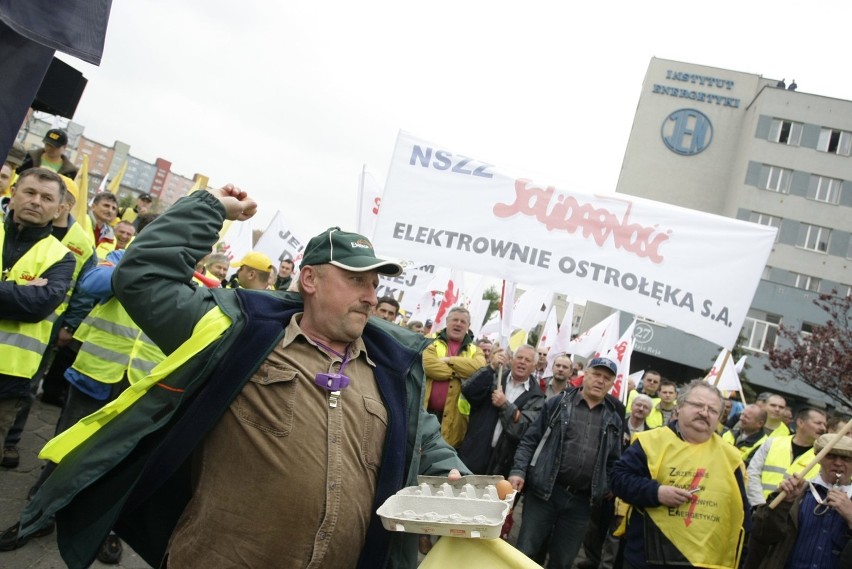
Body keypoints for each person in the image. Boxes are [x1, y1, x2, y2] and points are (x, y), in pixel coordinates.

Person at [16, 186, 468, 569]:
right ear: (308, 279)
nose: (371, 297)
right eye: (356, 281)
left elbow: (424, 444)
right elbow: (142, 276)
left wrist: (459, 483)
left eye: (376, 285)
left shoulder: (391, 370)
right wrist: (209, 209)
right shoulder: (239, 334)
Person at [610, 380, 750, 569]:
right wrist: (656, 492)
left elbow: (741, 514)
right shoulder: (650, 442)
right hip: (648, 558)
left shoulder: (731, 457)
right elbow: (618, 480)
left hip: (705, 562)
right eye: (698, 405)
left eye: (713, 410)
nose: (704, 412)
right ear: (680, 406)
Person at [509, 357, 624, 568]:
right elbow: (530, 440)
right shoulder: (557, 404)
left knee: (563, 561)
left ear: (612, 383)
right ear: (585, 375)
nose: (600, 381)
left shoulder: (614, 418)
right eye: (596, 375)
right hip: (545, 493)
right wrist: (518, 471)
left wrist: (606, 485)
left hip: (581, 504)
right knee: (525, 553)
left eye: (606, 378)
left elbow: (614, 460)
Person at [0, 168, 74, 466]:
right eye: (29, 192)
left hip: (9, 378)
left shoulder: (61, 256)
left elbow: (38, 306)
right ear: (14, 192)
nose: (36, 201)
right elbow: (27, 300)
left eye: (46, 197)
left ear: (58, 209)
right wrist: (18, 290)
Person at [744, 434, 852, 568]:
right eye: (830, 456)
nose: (838, 463)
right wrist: (784, 503)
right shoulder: (797, 492)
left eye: (846, 458)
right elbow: (761, 535)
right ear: (818, 457)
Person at [458, 344, 545, 477]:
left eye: (527, 360)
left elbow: (522, 429)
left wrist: (505, 404)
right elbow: (468, 391)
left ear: (534, 367)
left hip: (502, 464)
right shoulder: (494, 377)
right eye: (519, 357)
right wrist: (490, 368)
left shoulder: (536, 396)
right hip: (474, 454)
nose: (522, 362)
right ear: (511, 360)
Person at [422, 306, 486, 448]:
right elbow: (427, 364)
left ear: (468, 326)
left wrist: (448, 360)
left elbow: (479, 368)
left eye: (463, 322)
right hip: (424, 412)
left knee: (440, 458)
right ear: (447, 321)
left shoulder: (475, 350)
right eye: (455, 320)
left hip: (454, 420)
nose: (458, 324)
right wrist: (459, 372)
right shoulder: (429, 340)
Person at [747, 407, 827, 507]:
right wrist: (758, 504)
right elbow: (752, 473)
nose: (823, 428)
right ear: (800, 422)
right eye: (818, 423)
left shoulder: (823, 458)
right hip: (757, 508)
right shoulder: (772, 443)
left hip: (789, 517)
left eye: (824, 425)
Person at [89, 192, 119, 260]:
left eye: (113, 208)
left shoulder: (113, 239)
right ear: (93, 207)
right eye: (106, 205)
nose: (110, 211)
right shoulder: (80, 222)